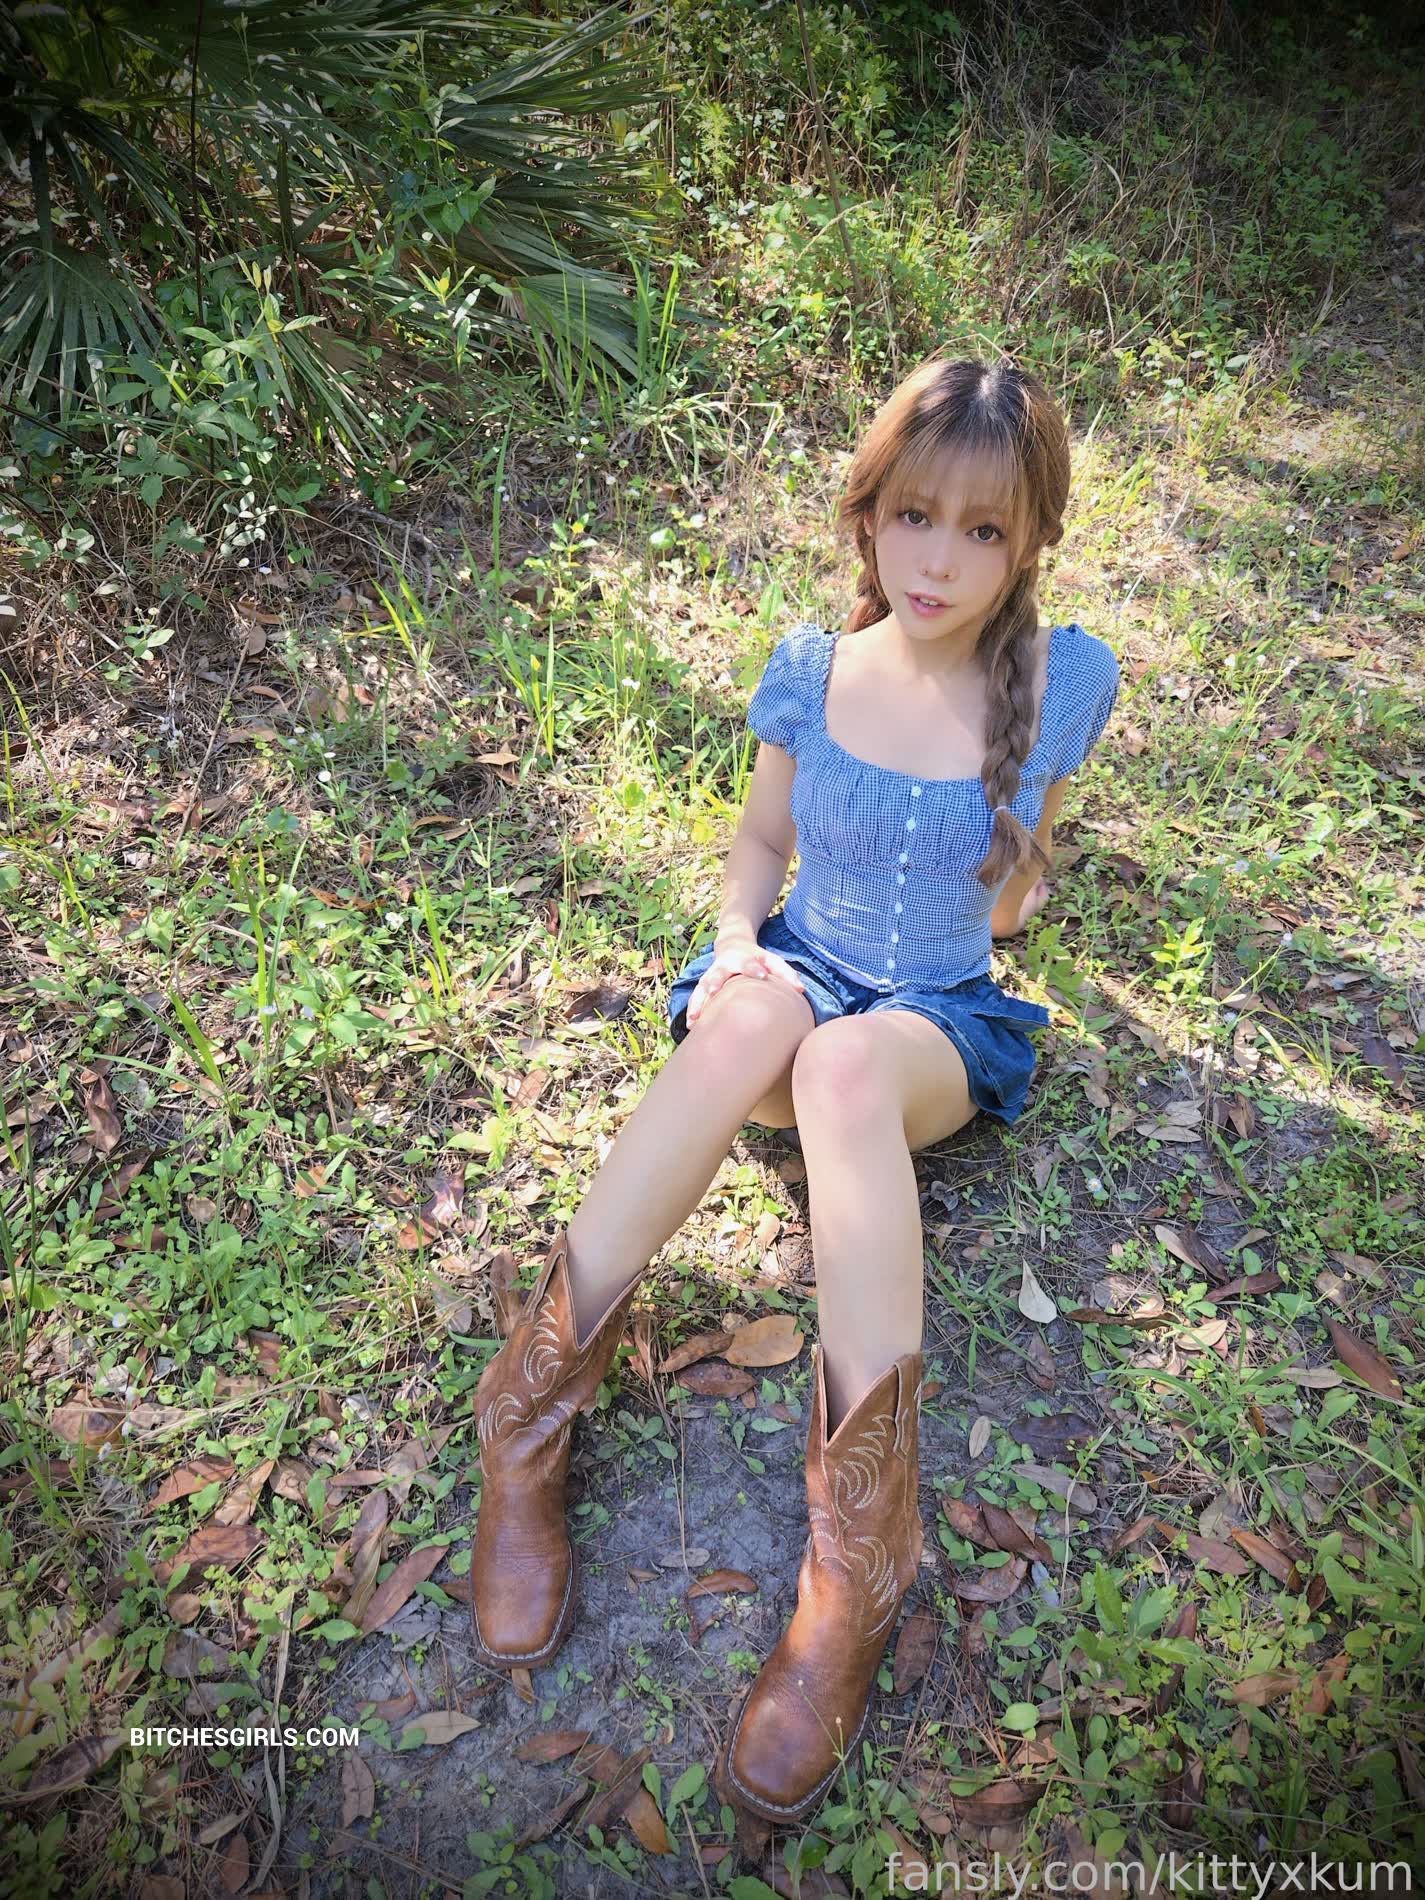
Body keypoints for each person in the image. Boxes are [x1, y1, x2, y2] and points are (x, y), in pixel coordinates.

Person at [467, 355, 1121, 1828]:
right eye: (913, 516)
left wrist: (1004, 851)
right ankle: (525, 1422)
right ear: (869, 512)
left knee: (838, 1061)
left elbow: (1011, 906)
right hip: (803, 972)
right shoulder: (811, 672)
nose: (937, 561)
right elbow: (760, 848)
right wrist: (732, 945)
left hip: (929, 1027)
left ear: (1028, 540)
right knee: (754, 1025)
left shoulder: (1058, 679)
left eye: (981, 530)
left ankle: (855, 1574)